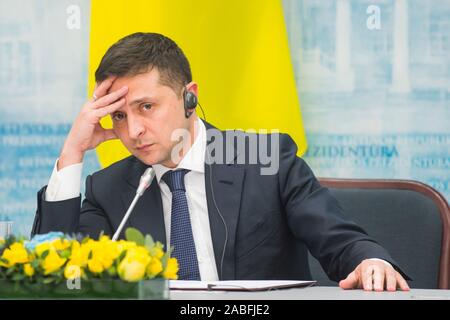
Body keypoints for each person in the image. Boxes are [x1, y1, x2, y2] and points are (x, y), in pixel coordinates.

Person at [32, 32, 409, 291]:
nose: (133, 131)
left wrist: (369, 261)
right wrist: (72, 154)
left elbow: (341, 242)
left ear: (188, 97)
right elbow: (56, 279)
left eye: (146, 107)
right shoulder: (110, 189)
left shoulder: (265, 162)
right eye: (119, 116)